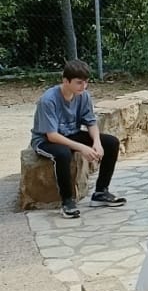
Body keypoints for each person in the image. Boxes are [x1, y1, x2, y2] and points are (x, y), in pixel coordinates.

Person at [31, 61, 120, 217]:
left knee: (111, 143)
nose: (83, 86)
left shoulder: (83, 95)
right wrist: (82, 147)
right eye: (79, 82)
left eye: (86, 82)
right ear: (66, 81)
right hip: (46, 140)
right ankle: (67, 202)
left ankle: (101, 192)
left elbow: (91, 122)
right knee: (63, 153)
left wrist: (97, 143)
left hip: (71, 133)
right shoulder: (48, 100)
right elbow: (52, 135)